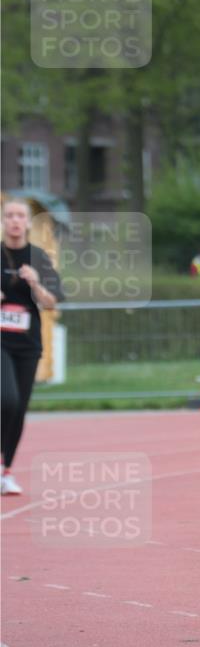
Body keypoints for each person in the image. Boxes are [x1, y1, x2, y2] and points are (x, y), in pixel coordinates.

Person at [1, 198, 63, 495]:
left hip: (27, 344)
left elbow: (52, 303)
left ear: (27, 222)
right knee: (7, 399)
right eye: (9, 215)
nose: (14, 220)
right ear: (3, 221)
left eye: (19, 216)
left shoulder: (38, 257)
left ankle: (6, 470)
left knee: (19, 409)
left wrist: (36, 284)